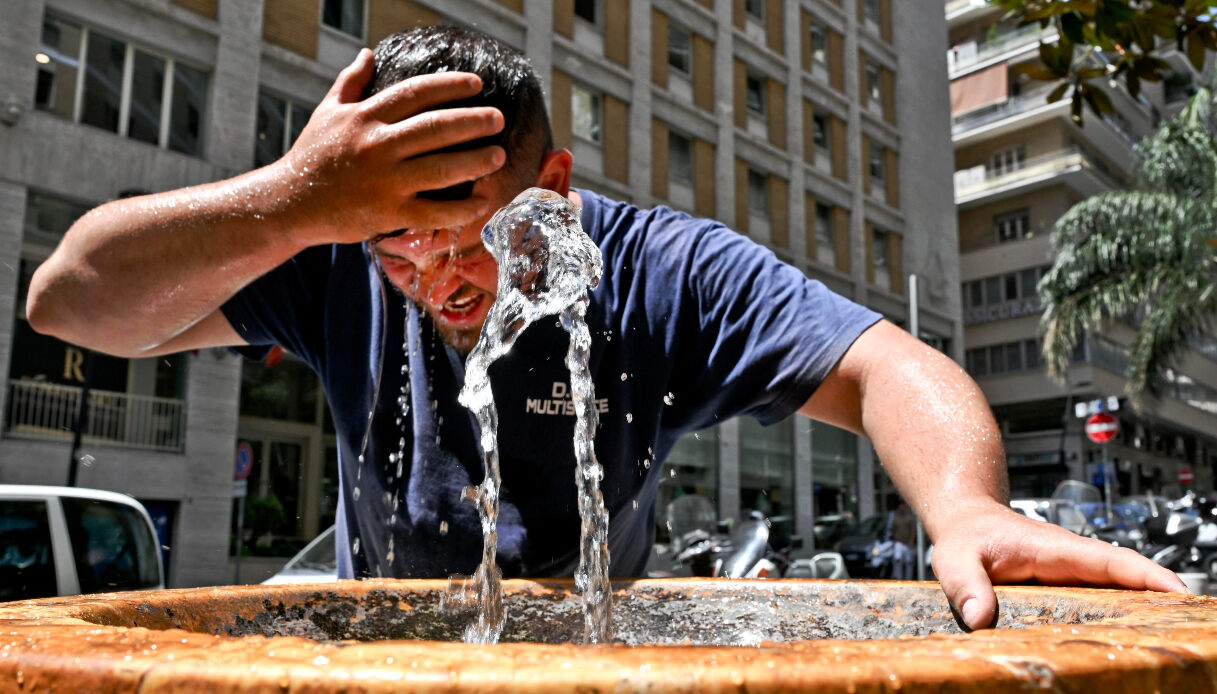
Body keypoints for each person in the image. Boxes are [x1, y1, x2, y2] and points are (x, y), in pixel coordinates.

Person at [26, 26, 1186, 630]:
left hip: (596, 652)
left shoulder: (655, 272)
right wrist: (296, 200)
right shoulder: (331, 254)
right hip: (381, 658)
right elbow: (69, 300)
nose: (434, 276)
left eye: (468, 234)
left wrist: (965, 507)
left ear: (556, 189)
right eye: (395, 240)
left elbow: (887, 364)